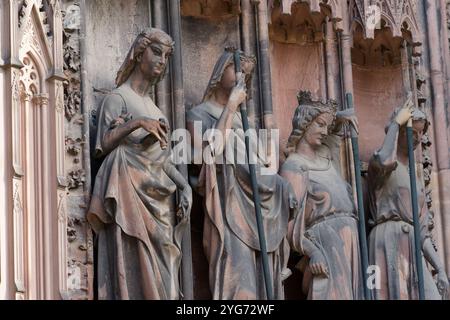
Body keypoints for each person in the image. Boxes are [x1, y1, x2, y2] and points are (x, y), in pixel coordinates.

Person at [87, 28, 192, 300]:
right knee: (133, 258)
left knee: (164, 272)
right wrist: (137, 123)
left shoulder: (156, 110)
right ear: (138, 52)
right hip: (129, 195)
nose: (161, 60)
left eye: (166, 56)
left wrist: (184, 186)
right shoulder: (117, 99)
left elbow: (162, 161)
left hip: (157, 202)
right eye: (156, 52)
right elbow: (103, 145)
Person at [186, 48, 294, 299]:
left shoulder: (249, 127)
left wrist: (281, 186)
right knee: (239, 283)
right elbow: (206, 156)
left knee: (263, 287)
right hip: (227, 208)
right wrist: (232, 106)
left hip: (259, 213)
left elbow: (261, 169)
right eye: (236, 70)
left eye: (246, 74)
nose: (241, 77)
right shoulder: (198, 114)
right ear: (219, 72)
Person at [280, 91, 365, 299]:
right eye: (319, 124)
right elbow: (289, 222)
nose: (324, 131)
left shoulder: (327, 159)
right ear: (304, 124)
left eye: (326, 125)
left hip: (351, 244)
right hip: (326, 245)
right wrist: (313, 251)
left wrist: (341, 118)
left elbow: (334, 138)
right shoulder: (294, 166)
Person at [367, 95, 449, 300]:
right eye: (413, 132)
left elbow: (423, 233)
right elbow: (385, 159)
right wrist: (396, 123)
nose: (418, 138)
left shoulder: (416, 180)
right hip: (385, 239)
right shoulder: (383, 165)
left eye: (421, 133)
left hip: (411, 242)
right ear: (400, 132)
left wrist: (440, 268)